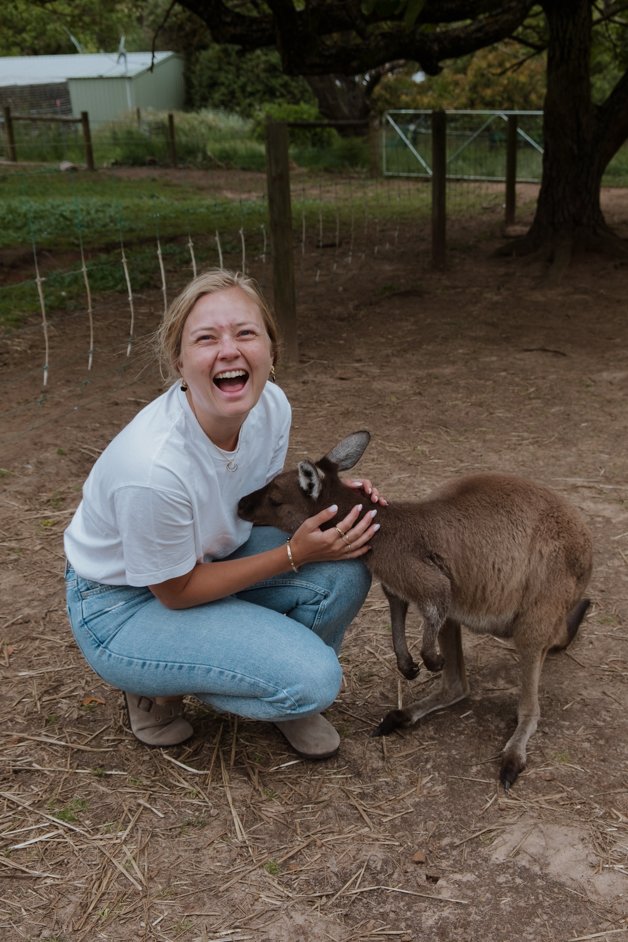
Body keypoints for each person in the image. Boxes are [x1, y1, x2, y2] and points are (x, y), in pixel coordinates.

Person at [64, 269, 383, 759]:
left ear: (271, 351)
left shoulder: (271, 407)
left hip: (210, 555)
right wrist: (294, 555)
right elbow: (175, 591)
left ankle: (268, 680)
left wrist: (331, 499)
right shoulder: (151, 467)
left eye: (246, 333)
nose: (229, 350)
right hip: (125, 602)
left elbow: (256, 503)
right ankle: (157, 683)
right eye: (206, 338)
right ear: (178, 361)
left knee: (345, 564)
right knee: (315, 680)